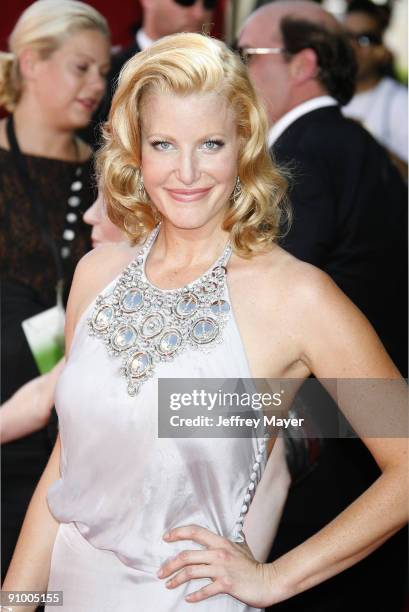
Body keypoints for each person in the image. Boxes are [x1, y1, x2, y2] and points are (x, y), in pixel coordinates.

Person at [2, 33, 407, 612]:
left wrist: (277, 579)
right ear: (134, 149)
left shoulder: (297, 297)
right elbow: (66, 466)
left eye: (210, 143)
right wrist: (13, 601)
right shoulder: (96, 274)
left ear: (243, 142)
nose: (186, 172)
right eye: (163, 143)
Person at [238, 2, 408, 610]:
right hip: (358, 434)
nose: (235, 70)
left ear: (303, 63)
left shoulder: (301, 159)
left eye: (247, 55)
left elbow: (263, 316)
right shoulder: (359, 146)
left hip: (321, 448)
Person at [0, 0, 111, 581]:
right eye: (81, 67)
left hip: (75, 428)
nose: (97, 83)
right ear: (31, 62)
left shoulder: (109, 175)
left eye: (102, 69)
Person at [0, 189, 124, 446]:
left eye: (108, 201)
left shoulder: (221, 301)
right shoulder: (105, 309)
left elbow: (215, 434)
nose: (89, 215)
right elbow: (41, 398)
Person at [83, 0, 218, 148]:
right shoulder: (104, 76)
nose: (199, 13)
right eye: (185, 1)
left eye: (209, 3)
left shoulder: (225, 75)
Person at [342, 0, 408, 173]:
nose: (352, 46)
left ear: (382, 50)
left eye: (364, 39)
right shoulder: (321, 93)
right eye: (345, 36)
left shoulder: (400, 102)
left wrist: (365, 140)